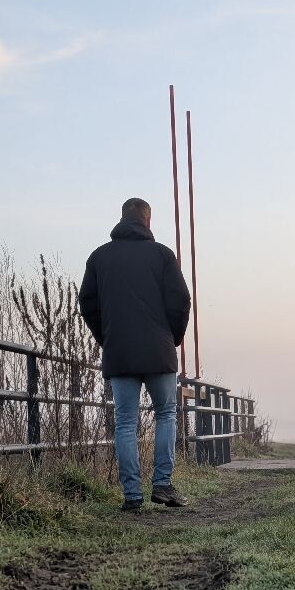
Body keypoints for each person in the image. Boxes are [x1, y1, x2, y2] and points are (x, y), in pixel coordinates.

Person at [80, 198, 192, 511]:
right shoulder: (162, 255)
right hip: (159, 350)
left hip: (120, 353)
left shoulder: (99, 257)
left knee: (126, 423)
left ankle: (131, 495)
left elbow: (88, 305)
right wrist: (172, 337)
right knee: (166, 414)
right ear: (147, 221)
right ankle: (162, 485)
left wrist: (108, 338)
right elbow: (181, 301)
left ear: (121, 219)